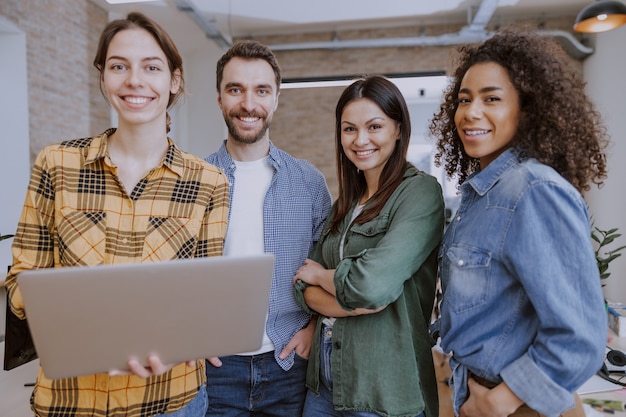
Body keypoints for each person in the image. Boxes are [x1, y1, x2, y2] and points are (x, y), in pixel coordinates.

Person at [5, 11, 229, 417]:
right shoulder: (57, 164)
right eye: (118, 66)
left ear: (174, 79)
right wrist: (83, 329)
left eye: (152, 67)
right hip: (72, 398)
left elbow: (203, 295)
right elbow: (22, 280)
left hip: (170, 399)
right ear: (103, 76)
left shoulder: (208, 181)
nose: (134, 81)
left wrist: (183, 341)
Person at [429, 27, 609, 417]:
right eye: (464, 99)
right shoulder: (483, 194)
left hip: (519, 405)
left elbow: (581, 336)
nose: (471, 112)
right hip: (478, 394)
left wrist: (501, 400)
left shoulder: (532, 190)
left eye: (491, 98)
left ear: (526, 109)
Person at [293, 74, 445, 417]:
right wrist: (353, 301)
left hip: (382, 388)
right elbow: (303, 285)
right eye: (349, 129)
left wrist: (324, 279)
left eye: (374, 126)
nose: (360, 139)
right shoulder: (345, 203)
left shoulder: (420, 194)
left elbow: (369, 285)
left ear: (398, 129)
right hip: (325, 380)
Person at [204, 40, 332, 416]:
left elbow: (324, 265)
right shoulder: (194, 180)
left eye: (261, 90)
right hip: (215, 368)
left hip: (288, 363)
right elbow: (174, 269)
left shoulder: (308, 181)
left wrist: (311, 328)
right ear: (219, 99)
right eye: (235, 90)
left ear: (276, 99)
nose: (248, 103)